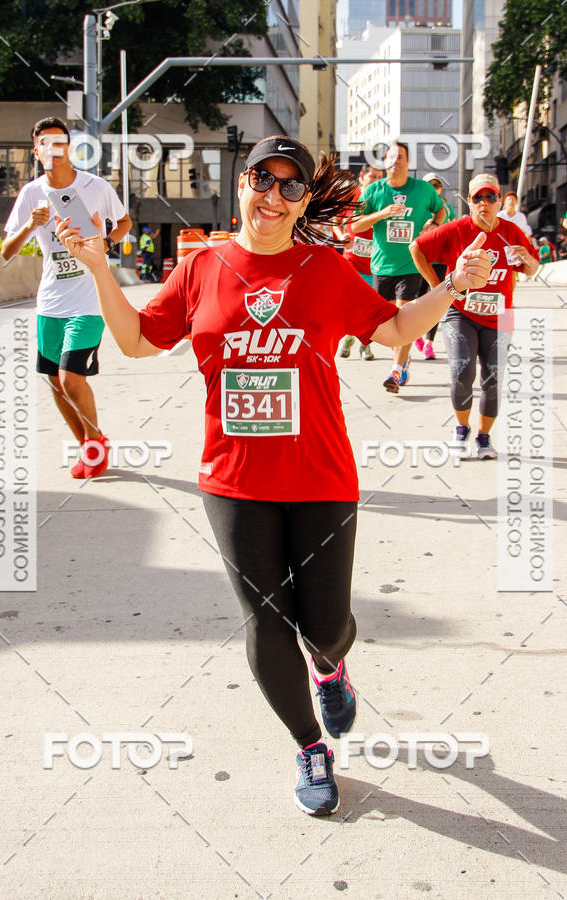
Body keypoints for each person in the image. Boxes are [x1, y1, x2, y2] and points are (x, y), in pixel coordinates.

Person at [55, 135, 491, 816]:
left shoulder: (324, 268)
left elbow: (394, 328)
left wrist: (454, 286)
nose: (275, 196)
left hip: (321, 477)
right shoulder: (202, 269)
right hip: (234, 483)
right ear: (242, 184)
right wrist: (98, 271)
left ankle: (331, 664)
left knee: (323, 625)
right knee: (265, 619)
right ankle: (309, 745)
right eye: (264, 178)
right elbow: (139, 341)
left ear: (303, 201)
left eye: (292, 187)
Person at [1, 116, 132, 478]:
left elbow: (124, 222)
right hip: (51, 303)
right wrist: (30, 224)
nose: (52, 150)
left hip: (90, 300)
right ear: (36, 151)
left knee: (71, 377)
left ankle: (95, 442)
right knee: (55, 382)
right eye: (45, 143)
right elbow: (6, 251)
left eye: (59, 143)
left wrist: (105, 242)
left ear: (69, 148)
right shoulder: (31, 194)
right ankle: (89, 446)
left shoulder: (96, 186)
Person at [409, 173, 538, 460]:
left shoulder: (512, 232)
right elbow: (416, 247)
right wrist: (435, 285)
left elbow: (530, 268)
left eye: (490, 197)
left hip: (502, 315)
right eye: (477, 197)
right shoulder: (456, 230)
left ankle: (483, 437)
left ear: (499, 201)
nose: (484, 203)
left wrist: (528, 260)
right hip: (460, 313)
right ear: (469, 202)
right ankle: (461, 429)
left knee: (493, 377)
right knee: (461, 372)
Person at [350, 141, 446, 392]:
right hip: (382, 266)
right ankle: (403, 359)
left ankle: (395, 370)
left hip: (412, 264)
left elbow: (441, 210)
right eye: (391, 156)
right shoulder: (373, 191)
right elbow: (356, 225)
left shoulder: (423, 189)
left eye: (401, 156)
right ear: (385, 162)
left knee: (405, 318)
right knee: (388, 325)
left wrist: (434, 225)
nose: (396, 160)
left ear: (408, 162)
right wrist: (382, 214)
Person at [339, 163, 385, 361]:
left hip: (375, 264)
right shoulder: (351, 196)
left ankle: (359, 341)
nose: (375, 181)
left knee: (369, 309)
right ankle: (357, 339)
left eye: (379, 178)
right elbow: (335, 219)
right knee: (351, 304)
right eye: (372, 177)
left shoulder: (384, 198)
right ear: (362, 177)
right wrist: (340, 235)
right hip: (351, 259)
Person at [412, 172, 457, 360]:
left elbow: (455, 231)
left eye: (437, 186)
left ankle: (429, 343)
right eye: (430, 185)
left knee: (436, 302)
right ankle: (414, 334)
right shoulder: (418, 207)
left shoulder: (447, 209)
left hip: (440, 262)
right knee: (418, 301)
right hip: (420, 260)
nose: (434, 189)